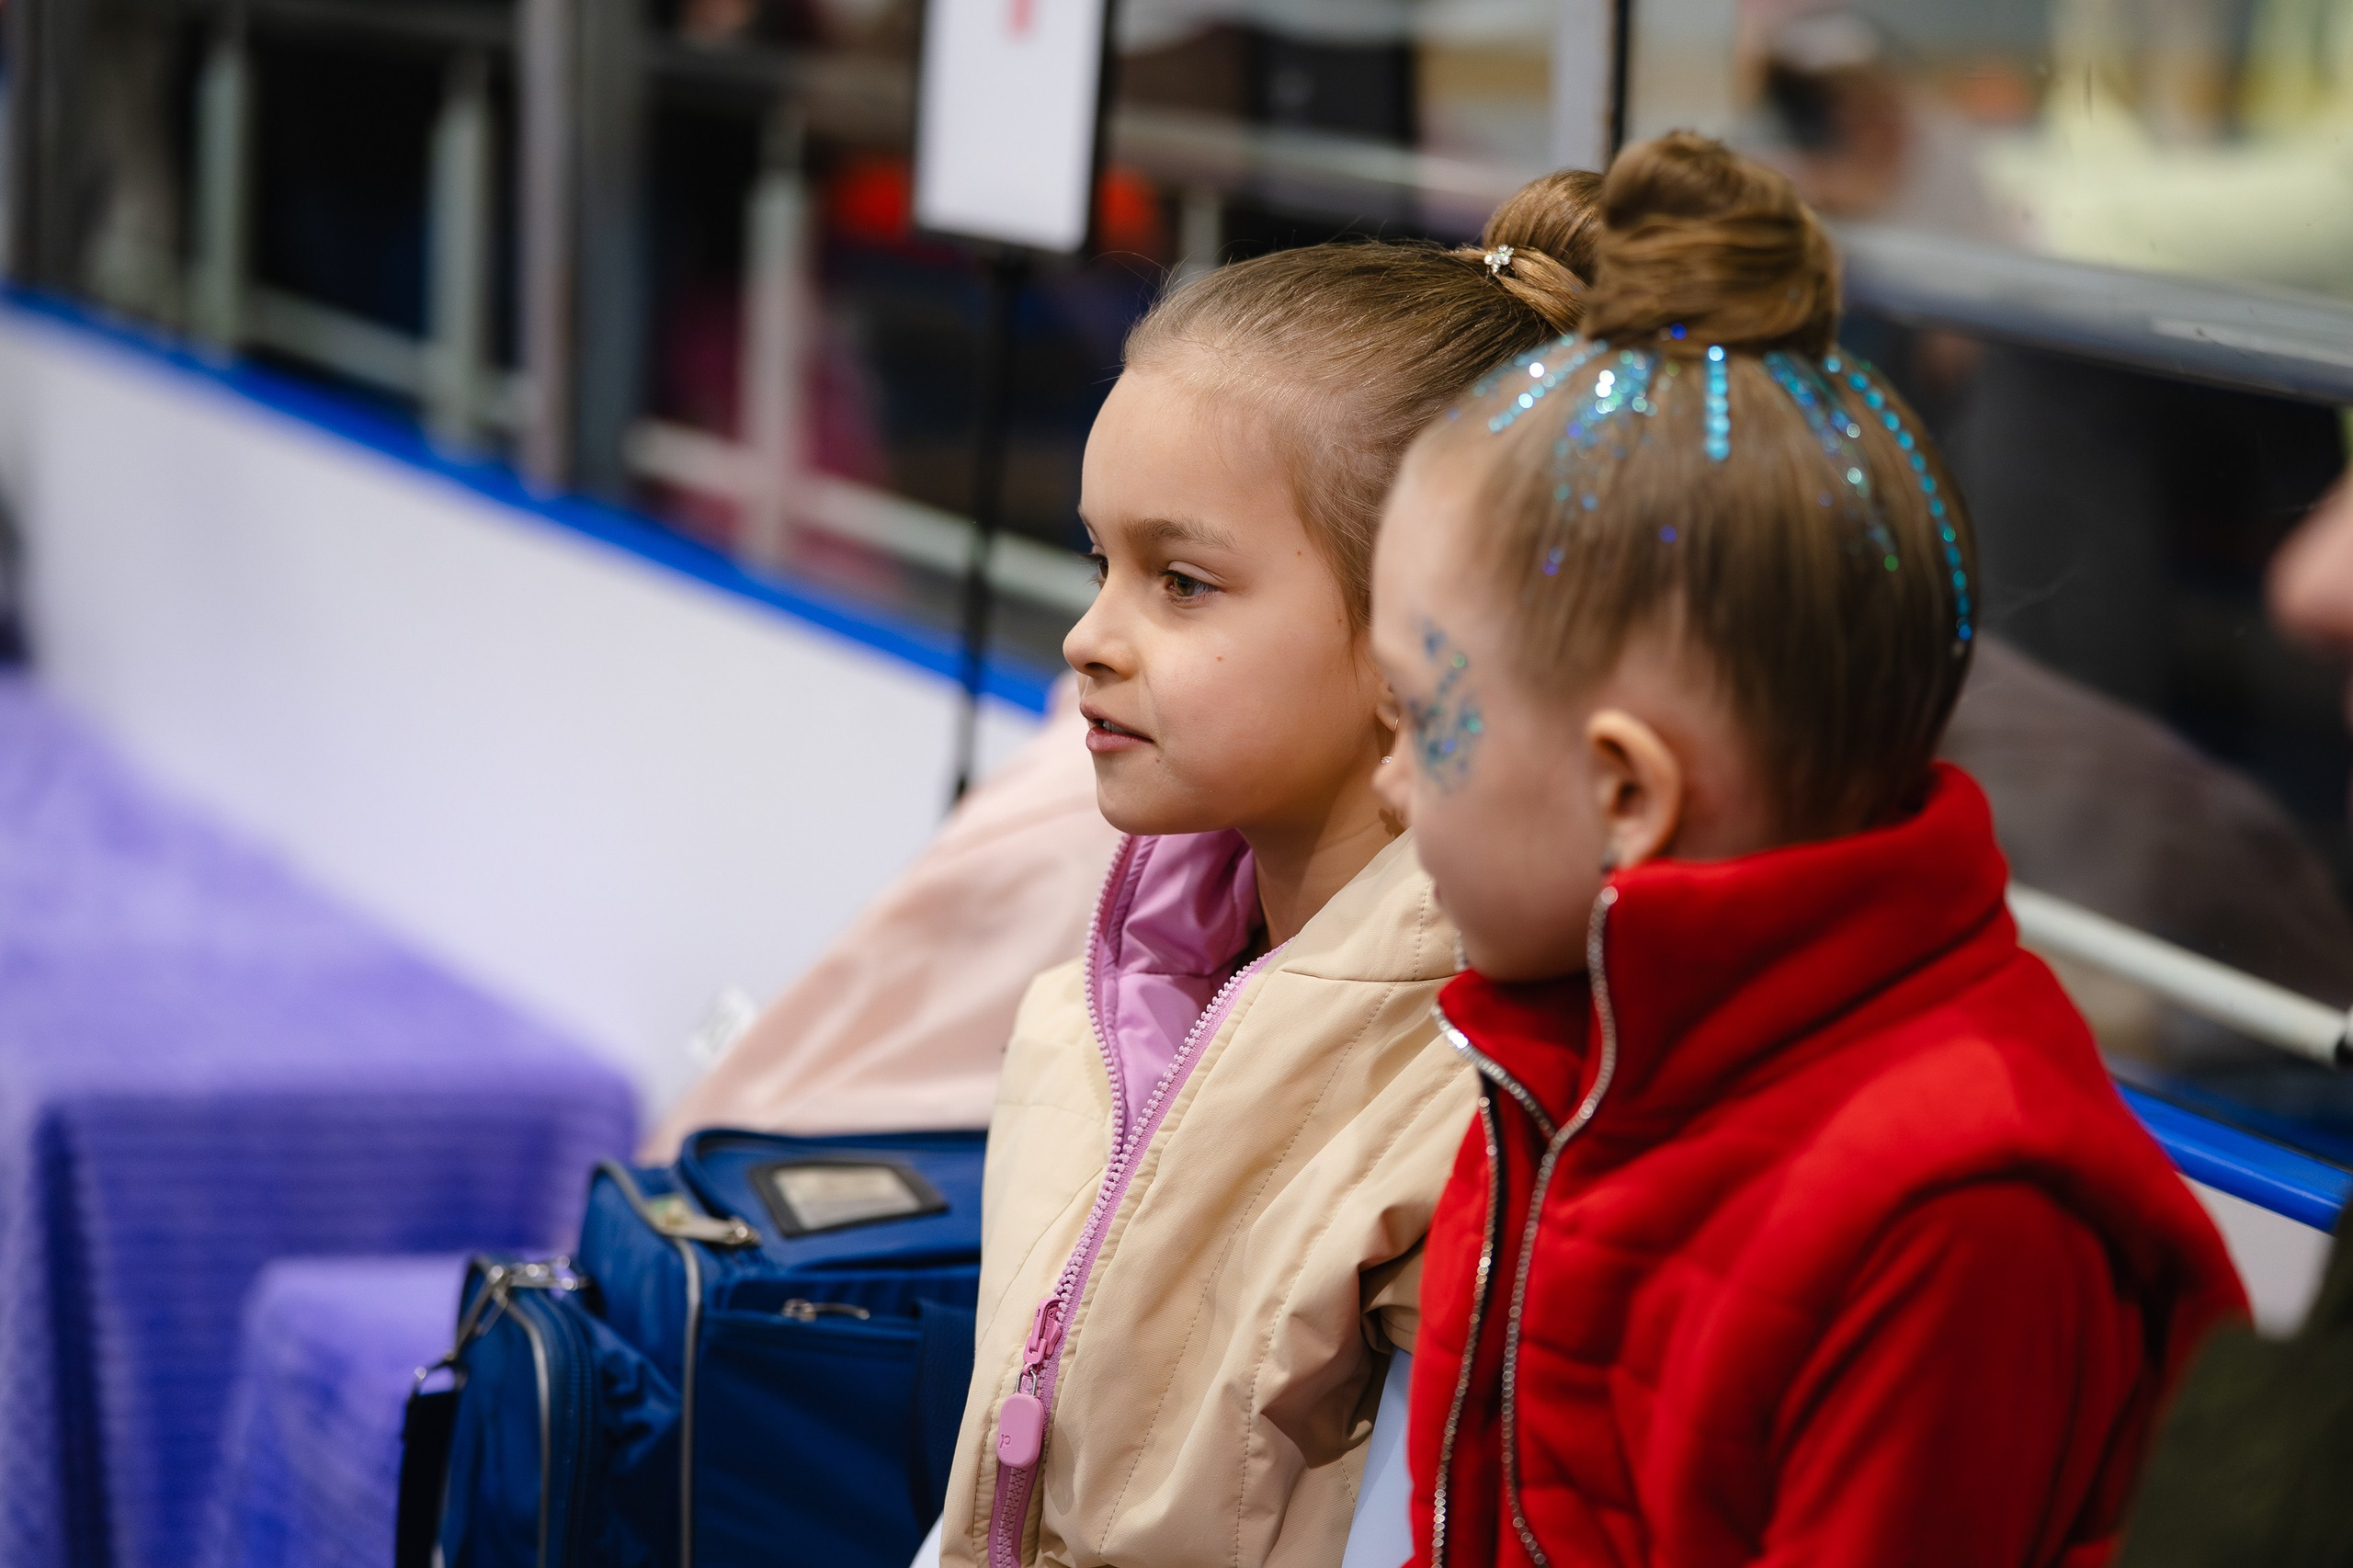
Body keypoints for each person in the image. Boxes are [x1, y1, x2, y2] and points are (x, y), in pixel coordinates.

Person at [1371, 132, 2246, 1567]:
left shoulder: (1954, 1220)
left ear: (1627, 796)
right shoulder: (1567, 1062)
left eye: (1413, 716)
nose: (1394, 784)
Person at [932, 176, 1604, 1568]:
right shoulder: (1096, 1014)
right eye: (1098, 560)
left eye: (1182, 581)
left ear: (1427, 629)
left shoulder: (1479, 1112)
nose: (1089, 636)